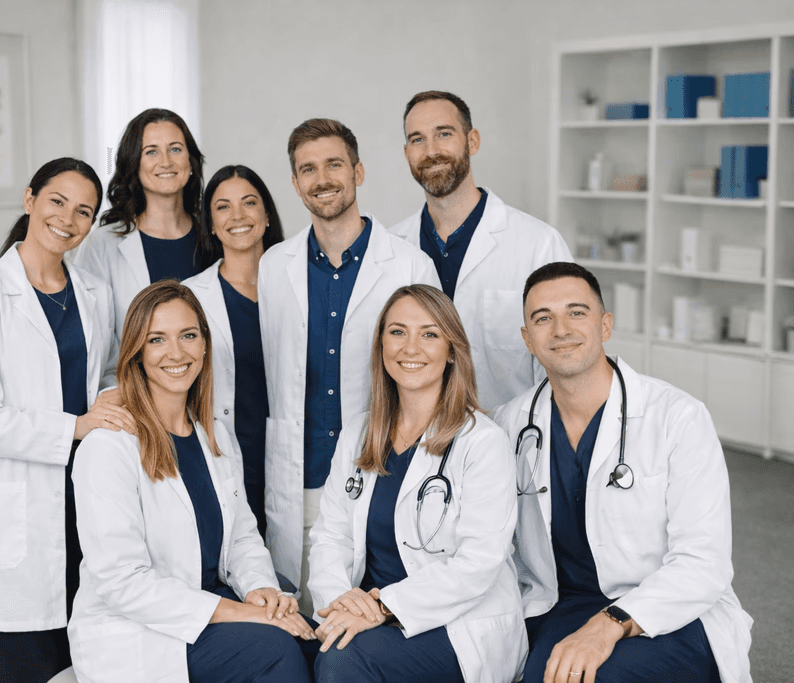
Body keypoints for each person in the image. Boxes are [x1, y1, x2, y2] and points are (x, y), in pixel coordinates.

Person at [493, 262, 753, 683]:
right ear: (528, 339)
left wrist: (609, 624)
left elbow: (703, 563)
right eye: (543, 318)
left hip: (670, 610)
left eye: (577, 312)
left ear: (605, 325)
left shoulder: (678, 418)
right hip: (561, 607)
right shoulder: (509, 424)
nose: (560, 329)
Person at [0, 158, 137, 683]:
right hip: (20, 506)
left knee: (88, 656)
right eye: (57, 202)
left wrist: (110, 396)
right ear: (30, 200)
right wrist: (75, 427)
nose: (68, 220)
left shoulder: (93, 293)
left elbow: (105, 372)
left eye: (84, 211)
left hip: (86, 490)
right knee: (26, 665)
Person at [67, 280, 317, 683]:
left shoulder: (213, 435)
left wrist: (261, 591)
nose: (176, 353)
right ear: (137, 352)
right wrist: (245, 613)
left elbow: (241, 538)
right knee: (276, 651)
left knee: (322, 647)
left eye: (188, 335)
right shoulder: (109, 446)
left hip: (209, 608)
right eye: (157, 340)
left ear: (204, 344)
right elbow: (122, 582)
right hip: (140, 630)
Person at [258, 118, 440, 614]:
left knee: (368, 616)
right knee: (299, 614)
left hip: (382, 472)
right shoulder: (274, 266)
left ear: (358, 171)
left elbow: (432, 370)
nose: (323, 178)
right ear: (295, 183)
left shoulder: (409, 265)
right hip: (302, 477)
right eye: (308, 169)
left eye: (334, 164)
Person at [308, 284, 527, 683]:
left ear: (451, 351)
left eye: (429, 334)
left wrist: (382, 607)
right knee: (301, 650)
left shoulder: (482, 441)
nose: (411, 348)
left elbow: (478, 563)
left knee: (343, 660)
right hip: (369, 617)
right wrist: (339, 599)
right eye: (397, 332)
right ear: (381, 346)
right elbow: (331, 536)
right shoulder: (359, 432)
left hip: (456, 624)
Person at [391, 90, 572, 414]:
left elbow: (564, 363)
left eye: (443, 134)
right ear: (407, 153)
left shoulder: (537, 244)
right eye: (417, 140)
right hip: (416, 446)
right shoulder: (390, 248)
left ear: (472, 141)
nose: (431, 151)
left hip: (509, 443)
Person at [182, 165, 284, 536]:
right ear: (210, 223)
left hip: (293, 458)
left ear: (267, 214)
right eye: (223, 207)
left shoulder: (299, 285)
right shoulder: (191, 296)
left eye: (249, 203)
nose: (238, 216)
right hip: (225, 453)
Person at [75, 108, 210, 338]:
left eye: (175, 149)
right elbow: (90, 337)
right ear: (134, 164)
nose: (166, 162)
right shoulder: (101, 245)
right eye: (151, 152)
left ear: (191, 161)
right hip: (126, 375)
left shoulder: (214, 235)